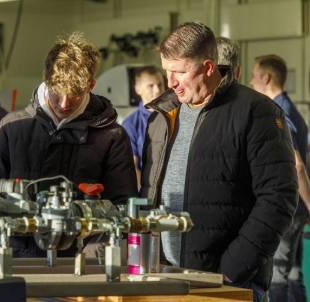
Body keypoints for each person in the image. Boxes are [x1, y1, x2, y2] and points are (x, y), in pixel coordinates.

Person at [140, 22, 298, 302]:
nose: (170, 82)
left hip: (227, 285)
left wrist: (233, 269)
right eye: (167, 71)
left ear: (209, 67)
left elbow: (278, 198)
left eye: (179, 71)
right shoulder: (162, 117)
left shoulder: (256, 111)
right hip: (163, 278)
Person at [0, 32, 138, 257]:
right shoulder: (12, 127)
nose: (64, 104)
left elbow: (122, 207)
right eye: (58, 92)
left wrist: (92, 259)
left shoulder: (112, 136)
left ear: (91, 85)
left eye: (75, 94)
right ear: (45, 78)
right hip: (17, 260)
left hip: (81, 264)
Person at [250, 54, 309, 302]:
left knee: (278, 278)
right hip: (298, 210)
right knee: (294, 274)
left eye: (254, 77)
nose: (251, 83)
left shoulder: (279, 113)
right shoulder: (292, 110)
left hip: (289, 209)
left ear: (266, 77)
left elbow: (296, 165)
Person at [121, 66, 165, 188]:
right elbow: (132, 167)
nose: (157, 90)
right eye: (150, 86)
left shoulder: (175, 116)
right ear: (138, 89)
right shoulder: (130, 124)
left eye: (160, 84)